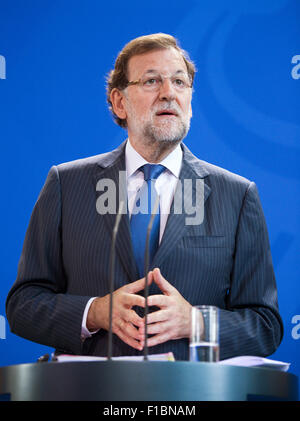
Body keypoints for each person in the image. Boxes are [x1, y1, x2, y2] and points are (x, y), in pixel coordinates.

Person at [6, 33, 283, 360]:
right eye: (152, 81)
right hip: (91, 392)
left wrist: (195, 322)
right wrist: (94, 312)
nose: (169, 93)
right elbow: (23, 304)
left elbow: (265, 325)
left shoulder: (237, 195)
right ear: (119, 102)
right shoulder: (66, 184)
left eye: (179, 82)